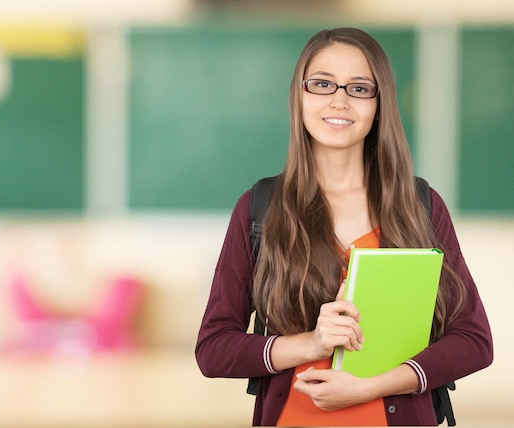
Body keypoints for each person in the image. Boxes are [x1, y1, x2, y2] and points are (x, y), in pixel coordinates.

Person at [195, 27, 493, 426]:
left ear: (379, 104)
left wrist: (372, 386)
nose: (339, 100)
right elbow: (213, 349)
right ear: (299, 96)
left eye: (359, 88)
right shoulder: (260, 209)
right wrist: (310, 344)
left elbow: (473, 342)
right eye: (322, 84)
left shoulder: (418, 206)